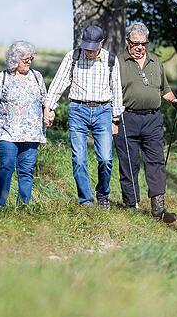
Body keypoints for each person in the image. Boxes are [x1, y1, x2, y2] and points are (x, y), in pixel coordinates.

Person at [43, 26, 124, 209]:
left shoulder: (111, 60)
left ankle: (103, 194)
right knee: (79, 159)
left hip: (103, 111)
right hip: (77, 110)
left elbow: (116, 90)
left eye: (93, 48)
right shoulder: (73, 57)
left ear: (101, 44)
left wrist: (115, 119)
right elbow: (59, 83)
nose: (89, 51)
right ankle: (86, 200)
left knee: (105, 159)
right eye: (86, 47)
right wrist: (49, 107)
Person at [114, 22, 177, 222]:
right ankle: (131, 206)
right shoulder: (118, 62)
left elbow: (165, 91)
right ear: (127, 41)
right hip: (127, 118)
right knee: (129, 163)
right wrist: (113, 119)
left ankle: (158, 210)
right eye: (135, 43)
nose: (139, 47)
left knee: (156, 162)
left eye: (143, 44)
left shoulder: (155, 61)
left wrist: (174, 101)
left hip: (153, 119)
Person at [0, 41, 47, 209]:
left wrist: (48, 113)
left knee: (26, 171)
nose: (29, 62)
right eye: (25, 59)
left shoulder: (37, 77)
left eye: (30, 58)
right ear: (14, 59)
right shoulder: (2, 78)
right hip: (6, 132)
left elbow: (45, 102)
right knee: (6, 166)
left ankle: (23, 207)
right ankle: (0, 204)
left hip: (31, 133)